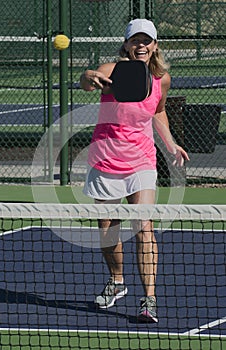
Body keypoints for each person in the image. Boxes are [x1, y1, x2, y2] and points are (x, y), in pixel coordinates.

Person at [80, 18, 189, 323]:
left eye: (147, 41)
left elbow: (159, 110)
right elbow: (88, 81)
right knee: (107, 231)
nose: (141, 45)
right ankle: (117, 282)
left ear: (155, 45)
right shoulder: (110, 70)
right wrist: (87, 76)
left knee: (144, 227)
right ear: (126, 44)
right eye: (135, 40)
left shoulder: (162, 79)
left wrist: (170, 143)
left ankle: (149, 299)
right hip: (105, 159)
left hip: (141, 160)